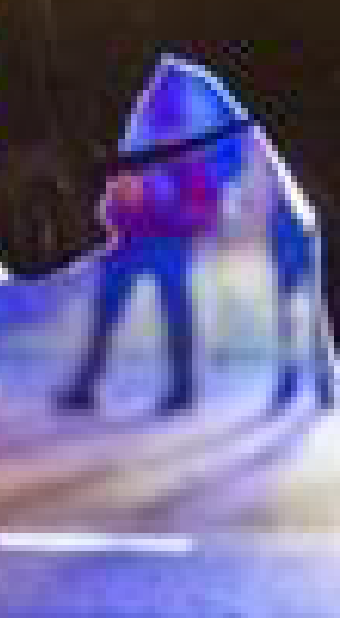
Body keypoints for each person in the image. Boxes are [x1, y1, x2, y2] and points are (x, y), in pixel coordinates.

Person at [54, 70, 227, 416]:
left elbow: (206, 207)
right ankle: (88, 385)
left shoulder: (184, 156)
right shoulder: (137, 146)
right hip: (130, 241)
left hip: (164, 242)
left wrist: (167, 209)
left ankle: (181, 388)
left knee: (173, 315)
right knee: (108, 314)